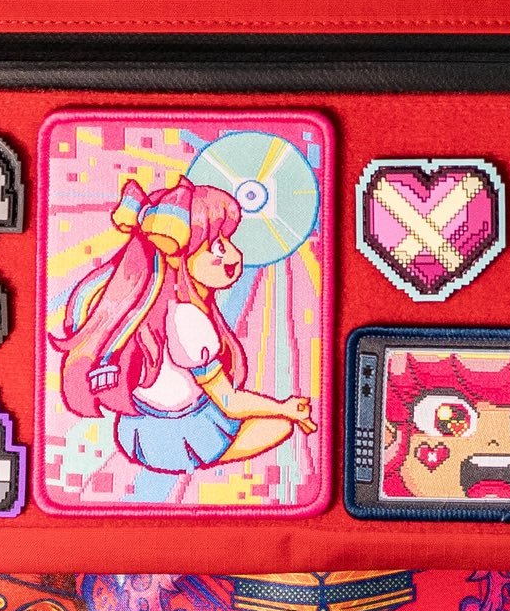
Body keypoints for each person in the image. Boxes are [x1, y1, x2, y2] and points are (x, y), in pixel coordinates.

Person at [57, 178, 316, 475]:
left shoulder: (158, 312)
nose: (234, 256)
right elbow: (229, 402)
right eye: (217, 247)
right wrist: (285, 408)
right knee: (281, 427)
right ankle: (204, 455)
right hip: (182, 435)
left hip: (136, 428)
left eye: (228, 242)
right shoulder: (187, 320)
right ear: (176, 258)